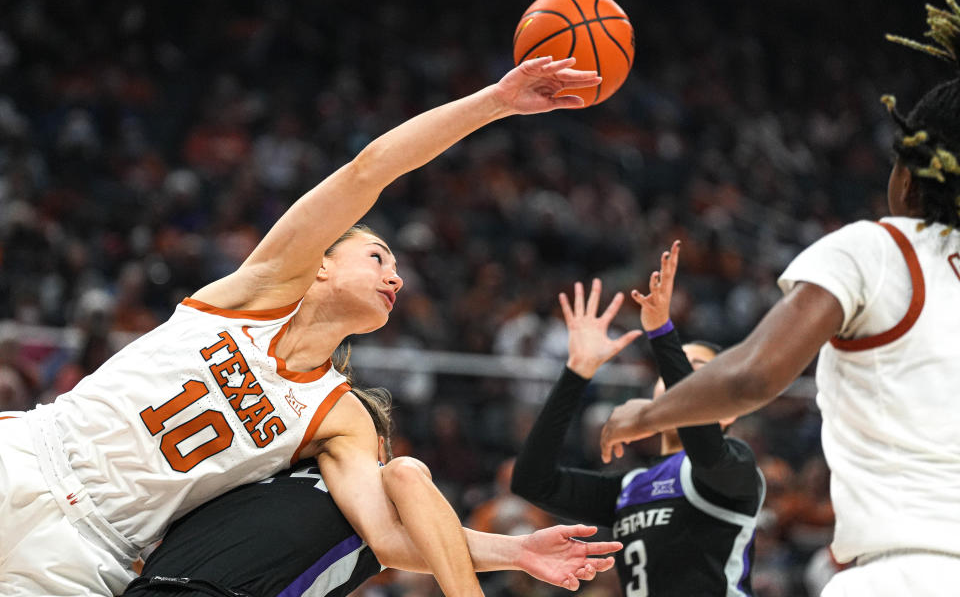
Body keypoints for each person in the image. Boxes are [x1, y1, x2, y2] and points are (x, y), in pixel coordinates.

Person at [0, 56, 602, 597]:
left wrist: (514, 553)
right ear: (319, 266)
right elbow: (369, 171)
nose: (396, 278)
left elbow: (386, 537)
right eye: (378, 258)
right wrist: (495, 102)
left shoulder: (340, 416)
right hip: (28, 456)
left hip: (90, 552)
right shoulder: (253, 293)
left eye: (398, 269)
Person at [599, 0, 960, 596]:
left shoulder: (877, 249)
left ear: (908, 171)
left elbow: (752, 376)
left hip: (905, 572)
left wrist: (645, 414)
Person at [122, 387, 621, 597]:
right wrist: (519, 551)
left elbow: (416, 512)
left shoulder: (383, 486)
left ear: (375, 441)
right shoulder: (272, 465)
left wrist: (518, 552)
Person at [511, 243, 765, 596]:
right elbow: (531, 482)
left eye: (696, 371)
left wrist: (662, 333)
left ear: (730, 412)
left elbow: (703, 445)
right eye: (678, 369)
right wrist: (577, 373)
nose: (683, 382)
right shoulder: (631, 488)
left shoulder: (736, 466)